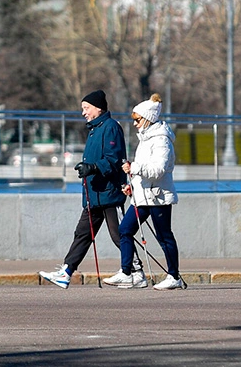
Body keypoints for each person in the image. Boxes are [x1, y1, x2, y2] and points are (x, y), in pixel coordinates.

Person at [40, 89, 141, 288]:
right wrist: (88, 168)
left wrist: (93, 167)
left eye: (86, 108)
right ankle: (67, 271)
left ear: (98, 108)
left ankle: (136, 271)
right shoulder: (95, 129)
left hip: (109, 191)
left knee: (119, 233)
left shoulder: (110, 127)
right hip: (94, 193)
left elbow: (114, 158)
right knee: (83, 233)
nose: (83, 112)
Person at [108, 93, 186, 291]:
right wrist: (131, 185)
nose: (134, 124)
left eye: (137, 119)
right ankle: (127, 273)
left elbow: (159, 170)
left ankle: (174, 276)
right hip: (141, 197)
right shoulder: (145, 138)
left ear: (148, 118)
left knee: (164, 236)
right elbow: (143, 170)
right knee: (124, 230)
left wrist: (134, 168)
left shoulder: (162, 139)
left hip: (158, 197)